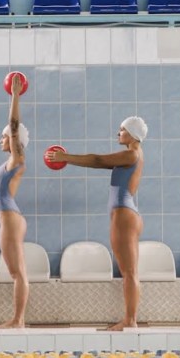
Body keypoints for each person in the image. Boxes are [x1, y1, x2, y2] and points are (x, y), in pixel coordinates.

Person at [45, 116, 147, 331]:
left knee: (129, 272)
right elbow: (101, 164)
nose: (118, 133)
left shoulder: (131, 153)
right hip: (127, 215)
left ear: (132, 133)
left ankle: (130, 320)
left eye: (122, 130)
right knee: (130, 271)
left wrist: (65, 157)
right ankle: (129, 319)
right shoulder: (132, 155)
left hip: (124, 216)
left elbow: (98, 160)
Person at [0, 75, 30, 328]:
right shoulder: (11, 162)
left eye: (4, 137)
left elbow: (14, 125)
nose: (1, 139)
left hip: (10, 219)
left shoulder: (17, 160)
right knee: (16, 272)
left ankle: (18, 320)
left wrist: (15, 97)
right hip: (10, 219)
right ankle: (18, 319)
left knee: (17, 273)